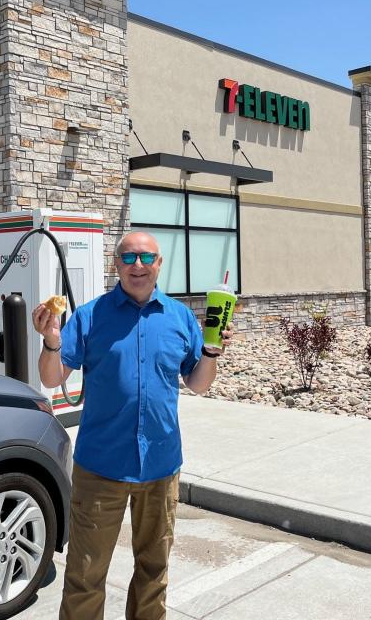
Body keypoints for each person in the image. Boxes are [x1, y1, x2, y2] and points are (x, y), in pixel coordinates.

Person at [32, 230, 232, 620]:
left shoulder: (180, 319)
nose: (136, 266)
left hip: (160, 465)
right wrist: (52, 342)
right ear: (115, 265)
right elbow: (53, 378)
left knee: (154, 570)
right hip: (101, 466)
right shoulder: (90, 316)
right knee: (86, 572)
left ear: (159, 264)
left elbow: (199, 384)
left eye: (146, 258)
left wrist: (210, 351)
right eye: (127, 258)